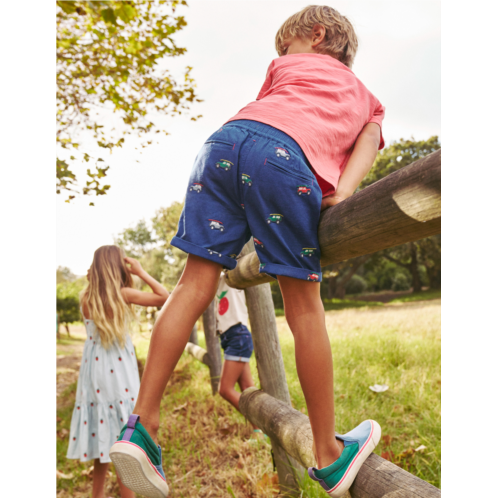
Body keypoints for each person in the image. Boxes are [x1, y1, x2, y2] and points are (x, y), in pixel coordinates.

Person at [111, 6, 384, 497]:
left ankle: (142, 425)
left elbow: (261, 121)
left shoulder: (283, 69)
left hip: (219, 145)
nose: (280, 55)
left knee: (192, 284)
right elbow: (363, 149)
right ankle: (327, 453)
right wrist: (340, 191)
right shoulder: (369, 102)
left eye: (287, 44)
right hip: (280, 157)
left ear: (317, 34)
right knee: (304, 308)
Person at [67, 246, 170, 498]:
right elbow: (164, 296)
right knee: (125, 439)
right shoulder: (123, 294)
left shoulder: (86, 298)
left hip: (94, 374)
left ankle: (98, 494)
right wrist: (141, 271)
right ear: (117, 269)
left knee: (104, 433)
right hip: (119, 375)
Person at [215, 274, 257, 417]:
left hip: (237, 335)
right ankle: (259, 431)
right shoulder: (215, 278)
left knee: (225, 389)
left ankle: (263, 421)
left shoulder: (229, 272)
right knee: (247, 388)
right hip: (230, 336)